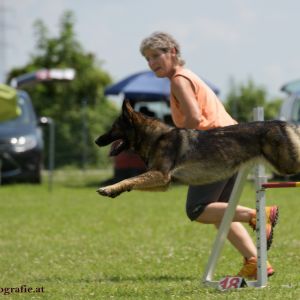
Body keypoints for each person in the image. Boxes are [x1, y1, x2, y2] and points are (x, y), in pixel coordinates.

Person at [139, 31, 279, 279]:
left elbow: (193, 117)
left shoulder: (179, 80)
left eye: (156, 56)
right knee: (220, 213)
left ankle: (258, 214)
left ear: (172, 52)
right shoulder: (191, 77)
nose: (151, 63)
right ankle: (255, 262)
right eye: (147, 59)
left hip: (215, 147)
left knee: (198, 209)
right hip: (235, 143)